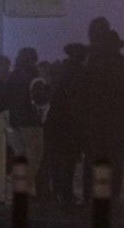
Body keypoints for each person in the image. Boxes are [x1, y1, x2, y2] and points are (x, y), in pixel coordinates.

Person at [82, 26, 124, 206]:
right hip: (117, 119)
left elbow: (85, 91)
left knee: (95, 156)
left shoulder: (92, 60)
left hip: (96, 118)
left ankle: (92, 193)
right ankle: (113, 194)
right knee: (116, 159)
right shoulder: (121, 62)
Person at [45, 43, 88, 203]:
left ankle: (57, 190)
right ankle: (66, 193)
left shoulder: (59, 70)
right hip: (70, 121)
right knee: (69, 159)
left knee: (56, 157)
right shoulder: (79, 73)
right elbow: (78, 99)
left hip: (55, 119)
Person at [6, 47, 43, 181]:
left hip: (15, 120)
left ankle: (18, 183)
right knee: (34, 155)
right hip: (30, 121)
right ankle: (25, 184)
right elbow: (39, 98)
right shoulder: (33, 75)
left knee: (20, 154)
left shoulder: (13, 76)